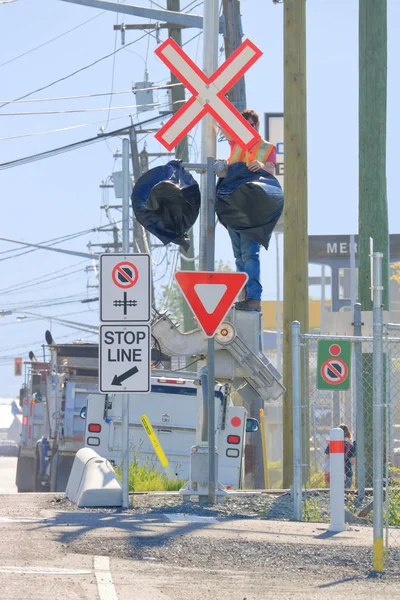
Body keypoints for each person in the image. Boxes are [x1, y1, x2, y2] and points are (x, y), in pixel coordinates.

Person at [219, 109, 277, 312]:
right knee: (239, 255)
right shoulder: (234, 143)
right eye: (243, 125)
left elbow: (270, 170)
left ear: (256, 126)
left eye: (250, 125)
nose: (247, 129)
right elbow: (221, 120)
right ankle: (243, 295)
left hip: (252, 206)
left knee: (249, 253)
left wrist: (261, 165)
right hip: (233, 204)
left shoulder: (266, 147)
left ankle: (253, 297)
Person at [324, 423, 356, 488]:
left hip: (334, 472)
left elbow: (326, 458)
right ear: (347, 433)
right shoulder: (350, 446)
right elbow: (352, 461)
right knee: (346, 494)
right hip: (347, 472)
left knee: (334, 492)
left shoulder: (332, 444)